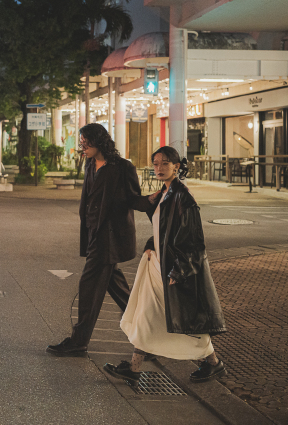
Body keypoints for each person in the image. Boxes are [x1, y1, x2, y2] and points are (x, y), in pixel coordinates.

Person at [104, 146, 227, 384]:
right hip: (159, 264)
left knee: (180, 321)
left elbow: (193, 241)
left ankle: (213, 362)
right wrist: (152, 243)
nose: (158, 168)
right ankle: (134, 367)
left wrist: (179, 270)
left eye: (164, 164)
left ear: (177, 167)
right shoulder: (165, 192)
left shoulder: (183, 197)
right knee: (147, 316)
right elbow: (163, 228)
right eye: (155, 164)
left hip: (173, 269)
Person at [47, 123, 141, 357]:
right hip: (93, 234)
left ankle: (79, 341)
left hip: (109, 237)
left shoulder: (122, 167)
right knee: (117, 288)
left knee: (88, 288)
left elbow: (135, 199)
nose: (83, 147)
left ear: (99, 141)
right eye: (82, 143)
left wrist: (161, 198)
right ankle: (149, 332)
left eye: (86, 142)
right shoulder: (90, 164)